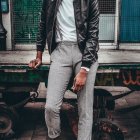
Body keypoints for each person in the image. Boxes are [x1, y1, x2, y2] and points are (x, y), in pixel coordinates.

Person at [29, 0, 99, 139]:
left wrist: (84, 70)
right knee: (51, 108)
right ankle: (54, 136)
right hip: (60, 51)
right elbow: (43, 24)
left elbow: (93, 33)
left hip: (85, 52)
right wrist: (39, 55)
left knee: (85, 110)